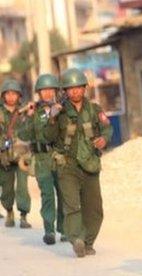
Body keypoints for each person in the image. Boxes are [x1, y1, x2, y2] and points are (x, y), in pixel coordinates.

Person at [44, 68, 112, 258]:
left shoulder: (94, 109)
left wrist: (104, 140)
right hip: (67, 165)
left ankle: (88, 242)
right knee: (72, 205)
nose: (75, 92)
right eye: (70, 89)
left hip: (90, 164)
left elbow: (107, 129)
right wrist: (51, 118)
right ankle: (76, 240)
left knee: (95, 209)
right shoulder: (58, 112)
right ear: (64, 91)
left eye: (78, 88)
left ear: (84, 88)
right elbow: (47, 137)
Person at [17, 74, 65, 244]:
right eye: (43, 90)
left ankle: (64, 229)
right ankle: (49, 230)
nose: (47, 93)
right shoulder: (35, 112)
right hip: (42, 158)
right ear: (38, 92)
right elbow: (22, 134)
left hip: (59, 156)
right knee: (47, 194)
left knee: (63, 192)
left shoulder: (61, 109)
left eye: (50, 89)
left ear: (55, 91)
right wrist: (28, 116)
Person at [0, 78, 31, 228]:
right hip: (4, 156)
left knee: (23, 187)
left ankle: (23, 216)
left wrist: (31, 115)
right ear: (3, 95)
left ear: (19, 95)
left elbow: (34, 128)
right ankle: (9, 211)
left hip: (22, 155)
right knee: (6, 188)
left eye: (14, 94)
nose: (11, 97)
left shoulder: (25, 111)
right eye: (8, 94)